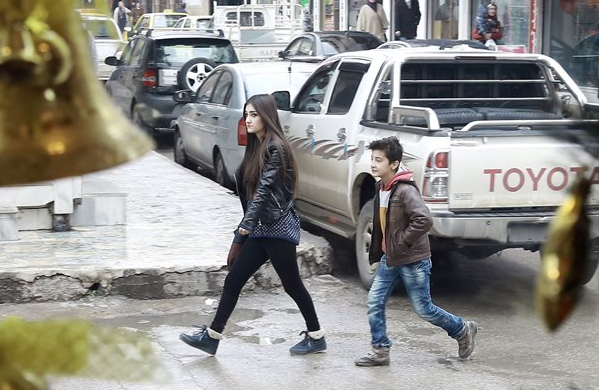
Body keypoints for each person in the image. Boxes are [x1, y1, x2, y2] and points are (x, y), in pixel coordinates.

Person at [180, 94, 326, 357]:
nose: (248, 119)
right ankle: (212, 337)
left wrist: (242, 232)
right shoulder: (258, 146)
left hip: (276, 229)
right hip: (263, 228)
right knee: (234, 280)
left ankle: (316, 336)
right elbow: (251, 196)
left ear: (267, 116)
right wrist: (247, 229)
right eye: (246, 114)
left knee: (291, 284)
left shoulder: (275, 148)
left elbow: (263, 193)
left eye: (254, 115)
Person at [355, 137, 477, 367]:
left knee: (424, 309)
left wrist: (400, 242)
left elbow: (424, 219)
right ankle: (380, 350)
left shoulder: (405, 191)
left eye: (378, 160)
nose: (372, 164)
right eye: (372, 159)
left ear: (394, 164)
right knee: (374, 301)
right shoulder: (380, 186)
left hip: (412, 260)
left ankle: (462, 329)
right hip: (390, 259)